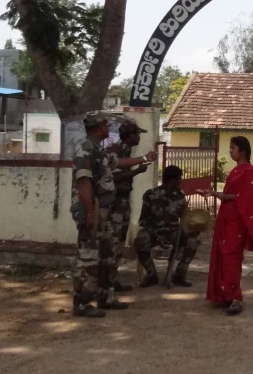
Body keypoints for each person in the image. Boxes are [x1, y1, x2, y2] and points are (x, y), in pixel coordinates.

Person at [69, 111, 156, 318]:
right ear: (100, 128)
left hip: (105, 211)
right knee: (89, 257)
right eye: (106, 124)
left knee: (108, 254)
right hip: (94, 211)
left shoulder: (99, 150)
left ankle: (105, 297)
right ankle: (81, 302)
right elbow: (84, 184)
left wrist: (144, 158)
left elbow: (117, 163)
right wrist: (90, 214)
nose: (109, 127)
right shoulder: (85, 150)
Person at [205, 136, 253, 315]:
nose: (230, 151)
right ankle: (223, 294)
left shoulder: (249, 172)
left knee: (231, 257)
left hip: (237, 221)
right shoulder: (235, 171)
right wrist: (214, 193)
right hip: (226, 218)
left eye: (233, 148)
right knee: (222, 256)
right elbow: (229, 194)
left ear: (243, 151)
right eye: (230, 147)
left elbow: (248, 197)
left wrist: (223, 196)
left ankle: (236, 297)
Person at [134, 165, 202, 288]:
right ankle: (151, 275)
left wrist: (192, 227)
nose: (181, 181)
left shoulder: (180, 196)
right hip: (154, 232)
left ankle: (179, 275)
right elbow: (144, 221)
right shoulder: (151, 195)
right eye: (179, 178)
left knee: (193, 241)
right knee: (140, 240)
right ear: (171, 180)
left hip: (173, 232)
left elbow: (185, 220)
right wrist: (158, 237)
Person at [106, 120, 149, 293]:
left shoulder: (126, 152)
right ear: (130, 135)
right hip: (114, 203)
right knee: (112, 242)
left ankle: (112, 279)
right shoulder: (115, 151)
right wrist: (137, 171)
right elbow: (114, 179)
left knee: (120, 242)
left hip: (123, 203)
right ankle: (106, 282)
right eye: (137, 133)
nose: (139, 137)